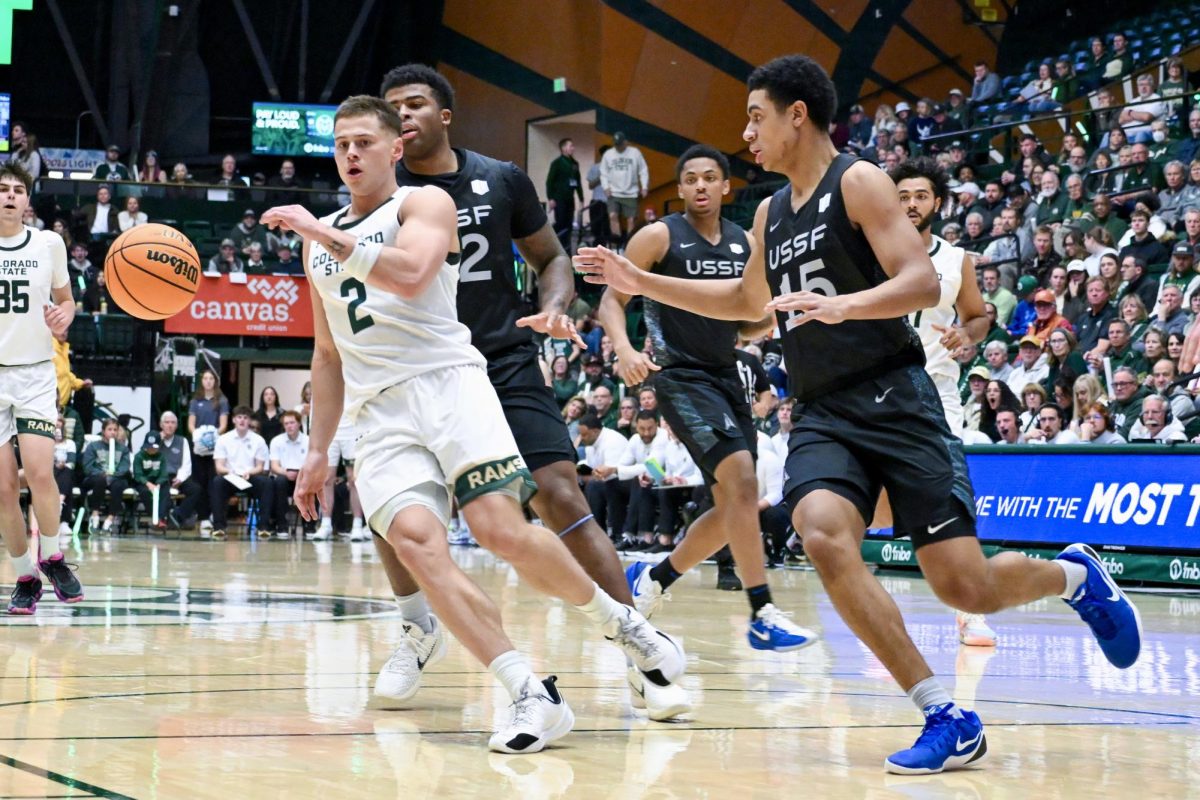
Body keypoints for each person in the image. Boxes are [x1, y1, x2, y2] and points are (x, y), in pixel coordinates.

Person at [576, 54, 1143, 774]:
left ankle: (1074, 578)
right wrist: (641, 281)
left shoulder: (861, 180)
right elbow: (749, 307)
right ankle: (946, 712)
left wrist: (847, 304)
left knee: (963, 584)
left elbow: (918, 278)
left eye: (756, 115)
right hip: (822, 409)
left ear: (796, 114)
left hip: (896, 396)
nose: (745, 133)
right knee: (821, 531)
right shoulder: (770, 214)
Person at [261, 94, 687, 751]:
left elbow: (409, 273)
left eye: (365, 143)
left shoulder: (422, 206)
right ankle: (529, 692)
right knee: (418, 546)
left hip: (450, 385)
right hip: (379, 412)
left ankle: (622, 624)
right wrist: (318, 451)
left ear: (394, 149)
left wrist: (324, 234)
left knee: (499, 530)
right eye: (342, 143)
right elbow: (325, 354)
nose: (351, 153)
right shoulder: (320, 244)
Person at [381, 65, 684, 717]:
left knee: (559, 492)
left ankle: (642, 652)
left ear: (445, 115)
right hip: (420, 371)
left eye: (414, 105)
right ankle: (417, 626)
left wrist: (554, 306)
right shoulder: (381, 195)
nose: (402, 116)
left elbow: (552, 257)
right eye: (391, 109)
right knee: (396, 509)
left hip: (502, 358)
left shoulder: (500, 179)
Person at [596, 142, 813, 648]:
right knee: (741, 482)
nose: (699, 186)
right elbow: (612, 299)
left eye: (709, 177)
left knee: (732, 503)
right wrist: (625, 348)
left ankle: (654, 579)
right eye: (690, 178)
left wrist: (780, 313)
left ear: (724, 186)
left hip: (727, 374)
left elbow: (746, 321)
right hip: (679, 375)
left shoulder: (742, 243)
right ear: (682, 186)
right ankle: (763, 612)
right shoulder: (657, 236)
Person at [0, 162, 84, 614]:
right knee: (2, 491)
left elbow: (67, 301)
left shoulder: (49, 243)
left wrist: (64, 316)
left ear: (27, 200)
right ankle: (25, 576)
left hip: (33, 372)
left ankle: (52, 556)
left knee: (38, 472)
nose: (10, 196)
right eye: (2, 189)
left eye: (18, 190)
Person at [209, 405, 273, 539]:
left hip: (250, 476)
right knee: (217, 482)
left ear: (249, 421)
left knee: (266, 483)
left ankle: (264, 527)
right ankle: (219, 527)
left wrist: (250, 472)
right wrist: (230, 472)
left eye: (245, 418)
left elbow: (260, 466)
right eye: (239, 417)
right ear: (233, 420)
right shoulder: (223, 439)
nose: (242, 421)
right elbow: (219, 467)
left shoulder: (258, 440)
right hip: (230, 476)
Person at [188, 368, 229, 534]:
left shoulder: (222, 400)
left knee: (214, 483)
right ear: (202, 381)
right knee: (200, 482)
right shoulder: (195, 400)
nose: (208, 381)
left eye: (211, 378)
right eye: (205, 378)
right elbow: (191, 424)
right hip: (199, 447)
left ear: (215, 381)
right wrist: (199, 436)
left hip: (215, 448)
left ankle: (214, 514)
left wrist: (212, 436)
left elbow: (224, 425)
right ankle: (203, 516)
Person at [316, 409, 365, 542]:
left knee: (353, 480)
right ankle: (326, 524)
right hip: (329, 431)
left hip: (351, 431)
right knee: (326, 480)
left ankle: (357, 524)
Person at [81, 418, 131, 535]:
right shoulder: (93, 446)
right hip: (97, 476)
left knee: (119, 485)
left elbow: (124, 467)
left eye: (115, 430)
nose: (113, 432)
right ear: (103, 431)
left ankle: (110, 519)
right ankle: (95, 515)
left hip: (116, 477)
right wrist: (101, 473)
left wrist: (113, 474)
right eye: (109, 429)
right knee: (100, 480)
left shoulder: (123, 449)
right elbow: (87, 466)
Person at [600, 131, 649, 247]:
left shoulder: (635, 153)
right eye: (616, 144)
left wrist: (645, 186)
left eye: (620, 144)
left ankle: (629, 245)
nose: (618, 147)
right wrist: (606, 187)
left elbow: (643, 170)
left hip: (631, 192)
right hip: (614, 192)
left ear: (626, 142)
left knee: (631, 220)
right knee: (612, 216)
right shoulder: (608, 154)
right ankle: (616, 245)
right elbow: (603, 172)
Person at [268, 410, 308, 539]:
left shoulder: (309, 441)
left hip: (303, 477)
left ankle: (310, 525)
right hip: (284, 476)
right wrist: (286, 473)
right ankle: (282, 525)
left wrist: (300, 474)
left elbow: (312, 465)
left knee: (313, 483)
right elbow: (274, 466)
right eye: (286, 424)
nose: (289, 426)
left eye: (292, 423)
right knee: (278, 482)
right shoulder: (276, 441)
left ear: (299, 424)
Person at [159, 411, 201, 529]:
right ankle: (162, 518)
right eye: (167, 422)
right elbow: (146, 457)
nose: (170, 425)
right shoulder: (154, 439)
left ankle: (177, 517)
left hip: (176, 475)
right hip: (159, 476)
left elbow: (186, 463)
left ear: (176, 426)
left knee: (195, 489)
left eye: (173, 423)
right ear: (161, 425)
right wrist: (158, 440)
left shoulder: (182, 441)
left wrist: (180, 479)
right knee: (164, 490)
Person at [546, 137, 583, 251]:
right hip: (559, 198)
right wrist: (551, 198)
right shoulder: (557, 163)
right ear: (563, 148)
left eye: (572, 146)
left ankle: (567, 249)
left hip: (569, 199)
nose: (573, 148)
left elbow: (577, 182)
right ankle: (556, 246)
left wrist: (581, 198)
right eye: (570, 146)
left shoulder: (575, 163)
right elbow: (549, 181)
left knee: (569, 224)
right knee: (560, 223)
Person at [131, 432, 172, 531]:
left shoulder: (161, 457)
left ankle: (162, 518)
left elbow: (163, 473)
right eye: (149, 447)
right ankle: (155, 517)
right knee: (145, 492)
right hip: (143, 482)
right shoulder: (139, 456)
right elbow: (138, 474)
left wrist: (158, 484)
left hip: (158, 481)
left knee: (165, 491)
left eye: (154, 447)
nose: (152, 449)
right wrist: (148, 484)